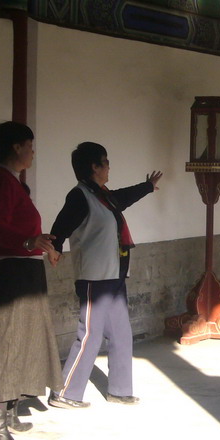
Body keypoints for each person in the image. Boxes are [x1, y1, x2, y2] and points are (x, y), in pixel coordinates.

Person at [48, 142, 162, 407]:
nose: (109, 166)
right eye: (105, 162)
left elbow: (123, 198)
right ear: (94, 167)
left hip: (115, 274)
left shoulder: (103, 196)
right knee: (89, 334)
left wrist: (147, 187)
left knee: (121, 333)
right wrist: (53, 248)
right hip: (94, 277)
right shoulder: (79, 196)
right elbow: (60, 226)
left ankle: (119, 390)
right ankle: (64, 392)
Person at [0, 121, 63, 440]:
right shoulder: (0, 181)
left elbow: (23, 231)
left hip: (26, 270)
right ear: (16, 147)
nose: (33, 151)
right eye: (30, 144)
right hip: (12, 273)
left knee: (26, 341)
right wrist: (29, 240)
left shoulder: (13, 183)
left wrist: (44, 246)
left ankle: (11, 412)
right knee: (10, 344)